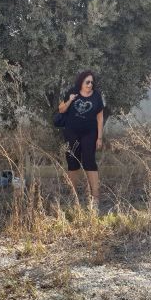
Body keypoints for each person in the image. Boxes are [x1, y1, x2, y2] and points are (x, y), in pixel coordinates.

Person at [58, 70, 105, 210]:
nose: (90, 84)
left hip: (90, 133)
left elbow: (100, 117)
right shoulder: (72, 92)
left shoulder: (96, 96)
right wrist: (70, 100)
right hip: (72, 132)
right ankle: (74, 198)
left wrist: (99, 137)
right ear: (81, 82)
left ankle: (95, 199)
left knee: (90, 162)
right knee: (72, 162)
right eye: (87, 82)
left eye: (92, 82)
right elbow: (61, 110)